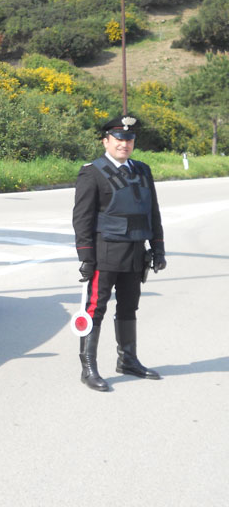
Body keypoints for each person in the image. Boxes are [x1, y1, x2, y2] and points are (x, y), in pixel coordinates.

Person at [72, 114, 166, 392]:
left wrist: (158, 248)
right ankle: (88, 368)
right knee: (95, 309)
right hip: (106, 251)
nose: (124, 144)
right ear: (106, 141)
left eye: (129, 139)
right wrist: (86, 257)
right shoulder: (92, 172)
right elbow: (82, 218)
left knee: (129, 307)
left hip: (136, 252)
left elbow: (153, 212)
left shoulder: (142, 170)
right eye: (119, 139)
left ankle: (128, 360)